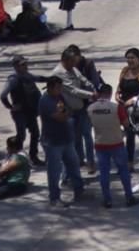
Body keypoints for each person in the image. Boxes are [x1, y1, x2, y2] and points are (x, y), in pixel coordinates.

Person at [88, 84, 139, 208]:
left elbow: (91, 123)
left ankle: (107, 200)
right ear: (110, 93)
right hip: (116, 143)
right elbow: (126, 124)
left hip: (100, 144)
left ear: (99, 93)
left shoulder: (90, 108)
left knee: (104, 173)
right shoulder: (116, 108)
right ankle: (129, 197)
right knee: (123, 171)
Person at [39, 75, 85, 207]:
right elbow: (60, 117)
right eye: (58, 87)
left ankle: (79, 191)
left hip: (66, 138)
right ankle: (54, 198)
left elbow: (68, 110)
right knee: (54, 171)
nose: (60, 90)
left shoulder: (59, 97)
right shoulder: (45, 101)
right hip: (53, 141)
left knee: (74, 166)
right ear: (50, 87)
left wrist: (66, 114)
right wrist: (66, 115)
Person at [52, 46, 98, 174]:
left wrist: (91, 87)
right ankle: (77, 163)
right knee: (75, 139)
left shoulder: (72, 68)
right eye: (73, 62)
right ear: (65, 60)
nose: (75, 64)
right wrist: (91, 95)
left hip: (81, 108)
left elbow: (83, 78)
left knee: (87, 135)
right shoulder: (59, 73)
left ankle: (90, 162)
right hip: (70, 111)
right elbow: (73, 90)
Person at [0, 55, 47, 165]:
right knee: (21, 136)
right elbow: (3, 95)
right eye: (22, 65)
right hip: (20, 113)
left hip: (30, 111)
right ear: (16, 67)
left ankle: (33, 157)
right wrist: (11, 107)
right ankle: (16, 159)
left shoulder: (27, 76)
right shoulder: (13, 80)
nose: (26, 66)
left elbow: (39, 78)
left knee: (35, 133)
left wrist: (51, 79)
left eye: (26, 64)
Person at [118, 48, 139, 167]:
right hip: (125, 108)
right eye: (128, 58)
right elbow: (120, 86)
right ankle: (130, 162)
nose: (130, 60)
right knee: (129, 136)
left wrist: (134, 100)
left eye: (132, 57)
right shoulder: (125, 71)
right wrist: (117, 94)